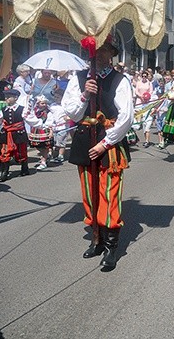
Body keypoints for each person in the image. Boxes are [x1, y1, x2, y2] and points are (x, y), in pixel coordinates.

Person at [62, 37, 134, 270]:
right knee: (89, 193)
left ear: (111, 53)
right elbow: (72, 112)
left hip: (108, 144)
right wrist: (85, 95)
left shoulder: (120, 80)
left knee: (109, 195)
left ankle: (112, 246)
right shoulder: (79, 77)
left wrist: (105, 143)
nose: (99, 55)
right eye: (96, 50)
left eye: (104, 50)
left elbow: (126, 118)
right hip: (85, 139)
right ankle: (97, 238)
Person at [0, 88, 30, 181]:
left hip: (19, 133)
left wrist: (41, 125)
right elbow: (0, 120)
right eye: (6, 97)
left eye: (9, 97)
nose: (7, 99)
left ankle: (24, 168)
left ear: (16, 98)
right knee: (5, 152)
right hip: (6, 134)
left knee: (21, 151)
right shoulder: (3, 110)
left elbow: (30, 119)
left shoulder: (22, 109)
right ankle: (4, 172)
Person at [26, 95, 54, 171]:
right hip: (36, 130)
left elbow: (50, 122)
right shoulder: (35, 111)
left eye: (44, 103)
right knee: (37, 146)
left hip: (44, 130)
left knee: (44, 147)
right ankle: (46, 156)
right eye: (42, 103)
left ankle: (43, 161)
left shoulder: (48, 112)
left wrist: (50, 130)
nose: (44, 105)